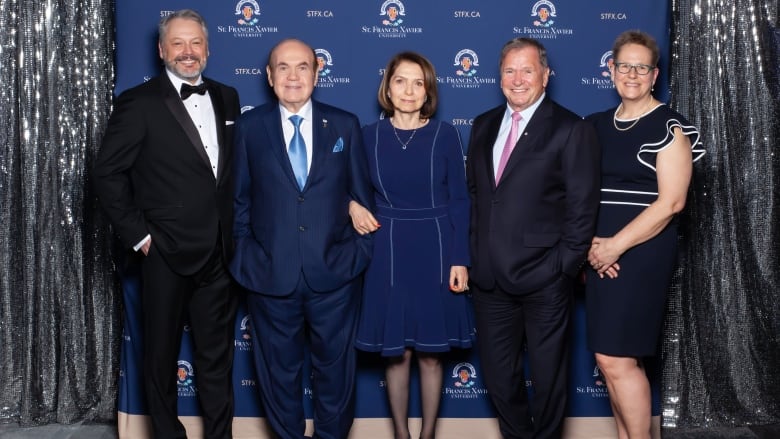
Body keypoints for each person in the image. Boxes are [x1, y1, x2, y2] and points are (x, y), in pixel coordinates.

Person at [93, 9, 240, 439]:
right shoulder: (138, 103)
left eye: (195, 43)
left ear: (208, 49)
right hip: (164, 252)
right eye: (178, 43)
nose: (188, 52)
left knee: (218, 359)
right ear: (162, 51)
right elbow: (106, 173)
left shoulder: (227, 97)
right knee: (160, 359)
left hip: (219, 252)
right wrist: (140, 237)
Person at [229, 38, 374, 439]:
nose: (294, 76)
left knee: (336, 374)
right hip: (269, 275)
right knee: (277, 375)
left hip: (336, 275)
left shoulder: (344, 124)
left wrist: (357, 253)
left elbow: (362, 196)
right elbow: (238, 200)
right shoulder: (248, 127)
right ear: (269, 75)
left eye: (303, 67)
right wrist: (246, 257)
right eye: (284, 68)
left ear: (317, 72)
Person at [465, 37, 601, 439]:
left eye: (527, 70)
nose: (518, 79)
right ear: (499, 76)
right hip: (489, 278)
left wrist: (563, 267)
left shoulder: (571, 128)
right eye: (509, 70)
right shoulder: (483, 124)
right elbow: (477, 195)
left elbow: (582, 208)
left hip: (545, 278)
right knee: (498, 378)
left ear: (546, 75)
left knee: (548, 379)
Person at [585, 30, 704, 439]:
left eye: (641, 67)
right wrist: (592, 248)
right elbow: (576, 195)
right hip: (598, 251)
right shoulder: (594, 126)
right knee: (607, 356)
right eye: (624, 66)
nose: (632, 74)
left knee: (618, 358)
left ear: (654, 75)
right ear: (611, 71)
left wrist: (615, 246)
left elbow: (672, 203)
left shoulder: (669, 127)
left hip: (640, 252)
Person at [348, 51, 474, 439]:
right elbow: (343, 186)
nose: (409, 90)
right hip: (386, 248)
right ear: (387, 87)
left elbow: (460, 200)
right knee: (397, 351)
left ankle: (428, 434)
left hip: (437, 246)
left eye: (418, 82)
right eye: (401, 81)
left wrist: (460, 259)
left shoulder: (446, 133)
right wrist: (351, 204)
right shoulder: (367, 136)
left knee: (432, 354)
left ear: (428, 91)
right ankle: (401, 435)